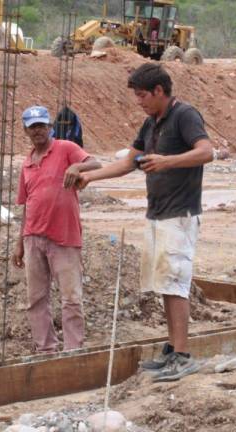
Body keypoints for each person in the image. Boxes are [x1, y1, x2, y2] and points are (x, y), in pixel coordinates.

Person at [76, 63, 216, 382]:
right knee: (164, 283)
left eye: (142, 95)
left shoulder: (185, 115)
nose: (139, 101)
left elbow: (206, 152)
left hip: (179, 213)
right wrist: (90, 176)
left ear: (159, 91)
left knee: (176, 282)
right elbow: (128, 162)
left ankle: (182, 355)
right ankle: (172, 349)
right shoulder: (151, 123)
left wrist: (168, 161)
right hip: (157, 212)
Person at [11, 105, 101, 353]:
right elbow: (26, 205)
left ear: (50, 127)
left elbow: (96, 163)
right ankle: (46, 348)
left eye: (42, 125)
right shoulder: (27, 163)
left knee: (71, 298)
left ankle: (73, 350)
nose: (38, 131)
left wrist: (76, 167)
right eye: (33, 127)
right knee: (36, 299)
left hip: (63, 236)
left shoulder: (66, 149)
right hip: (33, 237)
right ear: (26, 131)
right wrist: (19, 243)